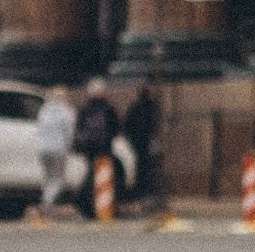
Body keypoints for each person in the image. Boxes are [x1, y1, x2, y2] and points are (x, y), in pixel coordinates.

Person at [72, 80, 120, 219]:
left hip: (89, 147)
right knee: (104, 178)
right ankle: (103, 207)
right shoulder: (108, 107)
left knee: (91, 174)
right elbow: (115, 127)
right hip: (104, 146)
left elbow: (79, 127)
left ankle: (86, 204)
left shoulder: (85, 108)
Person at [34, 82, 75, 221]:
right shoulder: (66, 112)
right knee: (57, 179)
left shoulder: (44, 110)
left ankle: (46, 204)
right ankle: (47, 205)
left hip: (43, 149)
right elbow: (69, 132)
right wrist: (70, 147)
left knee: (48, 178)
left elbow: (39, 129)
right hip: (58, 149)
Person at [120, 83, 161, 207]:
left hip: (137, 143)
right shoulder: (151, 107)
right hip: (145, 142)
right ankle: (144, 194)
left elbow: (127, 124)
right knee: (147, 170)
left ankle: (138, 195)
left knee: (139, 170)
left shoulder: (135, 107)